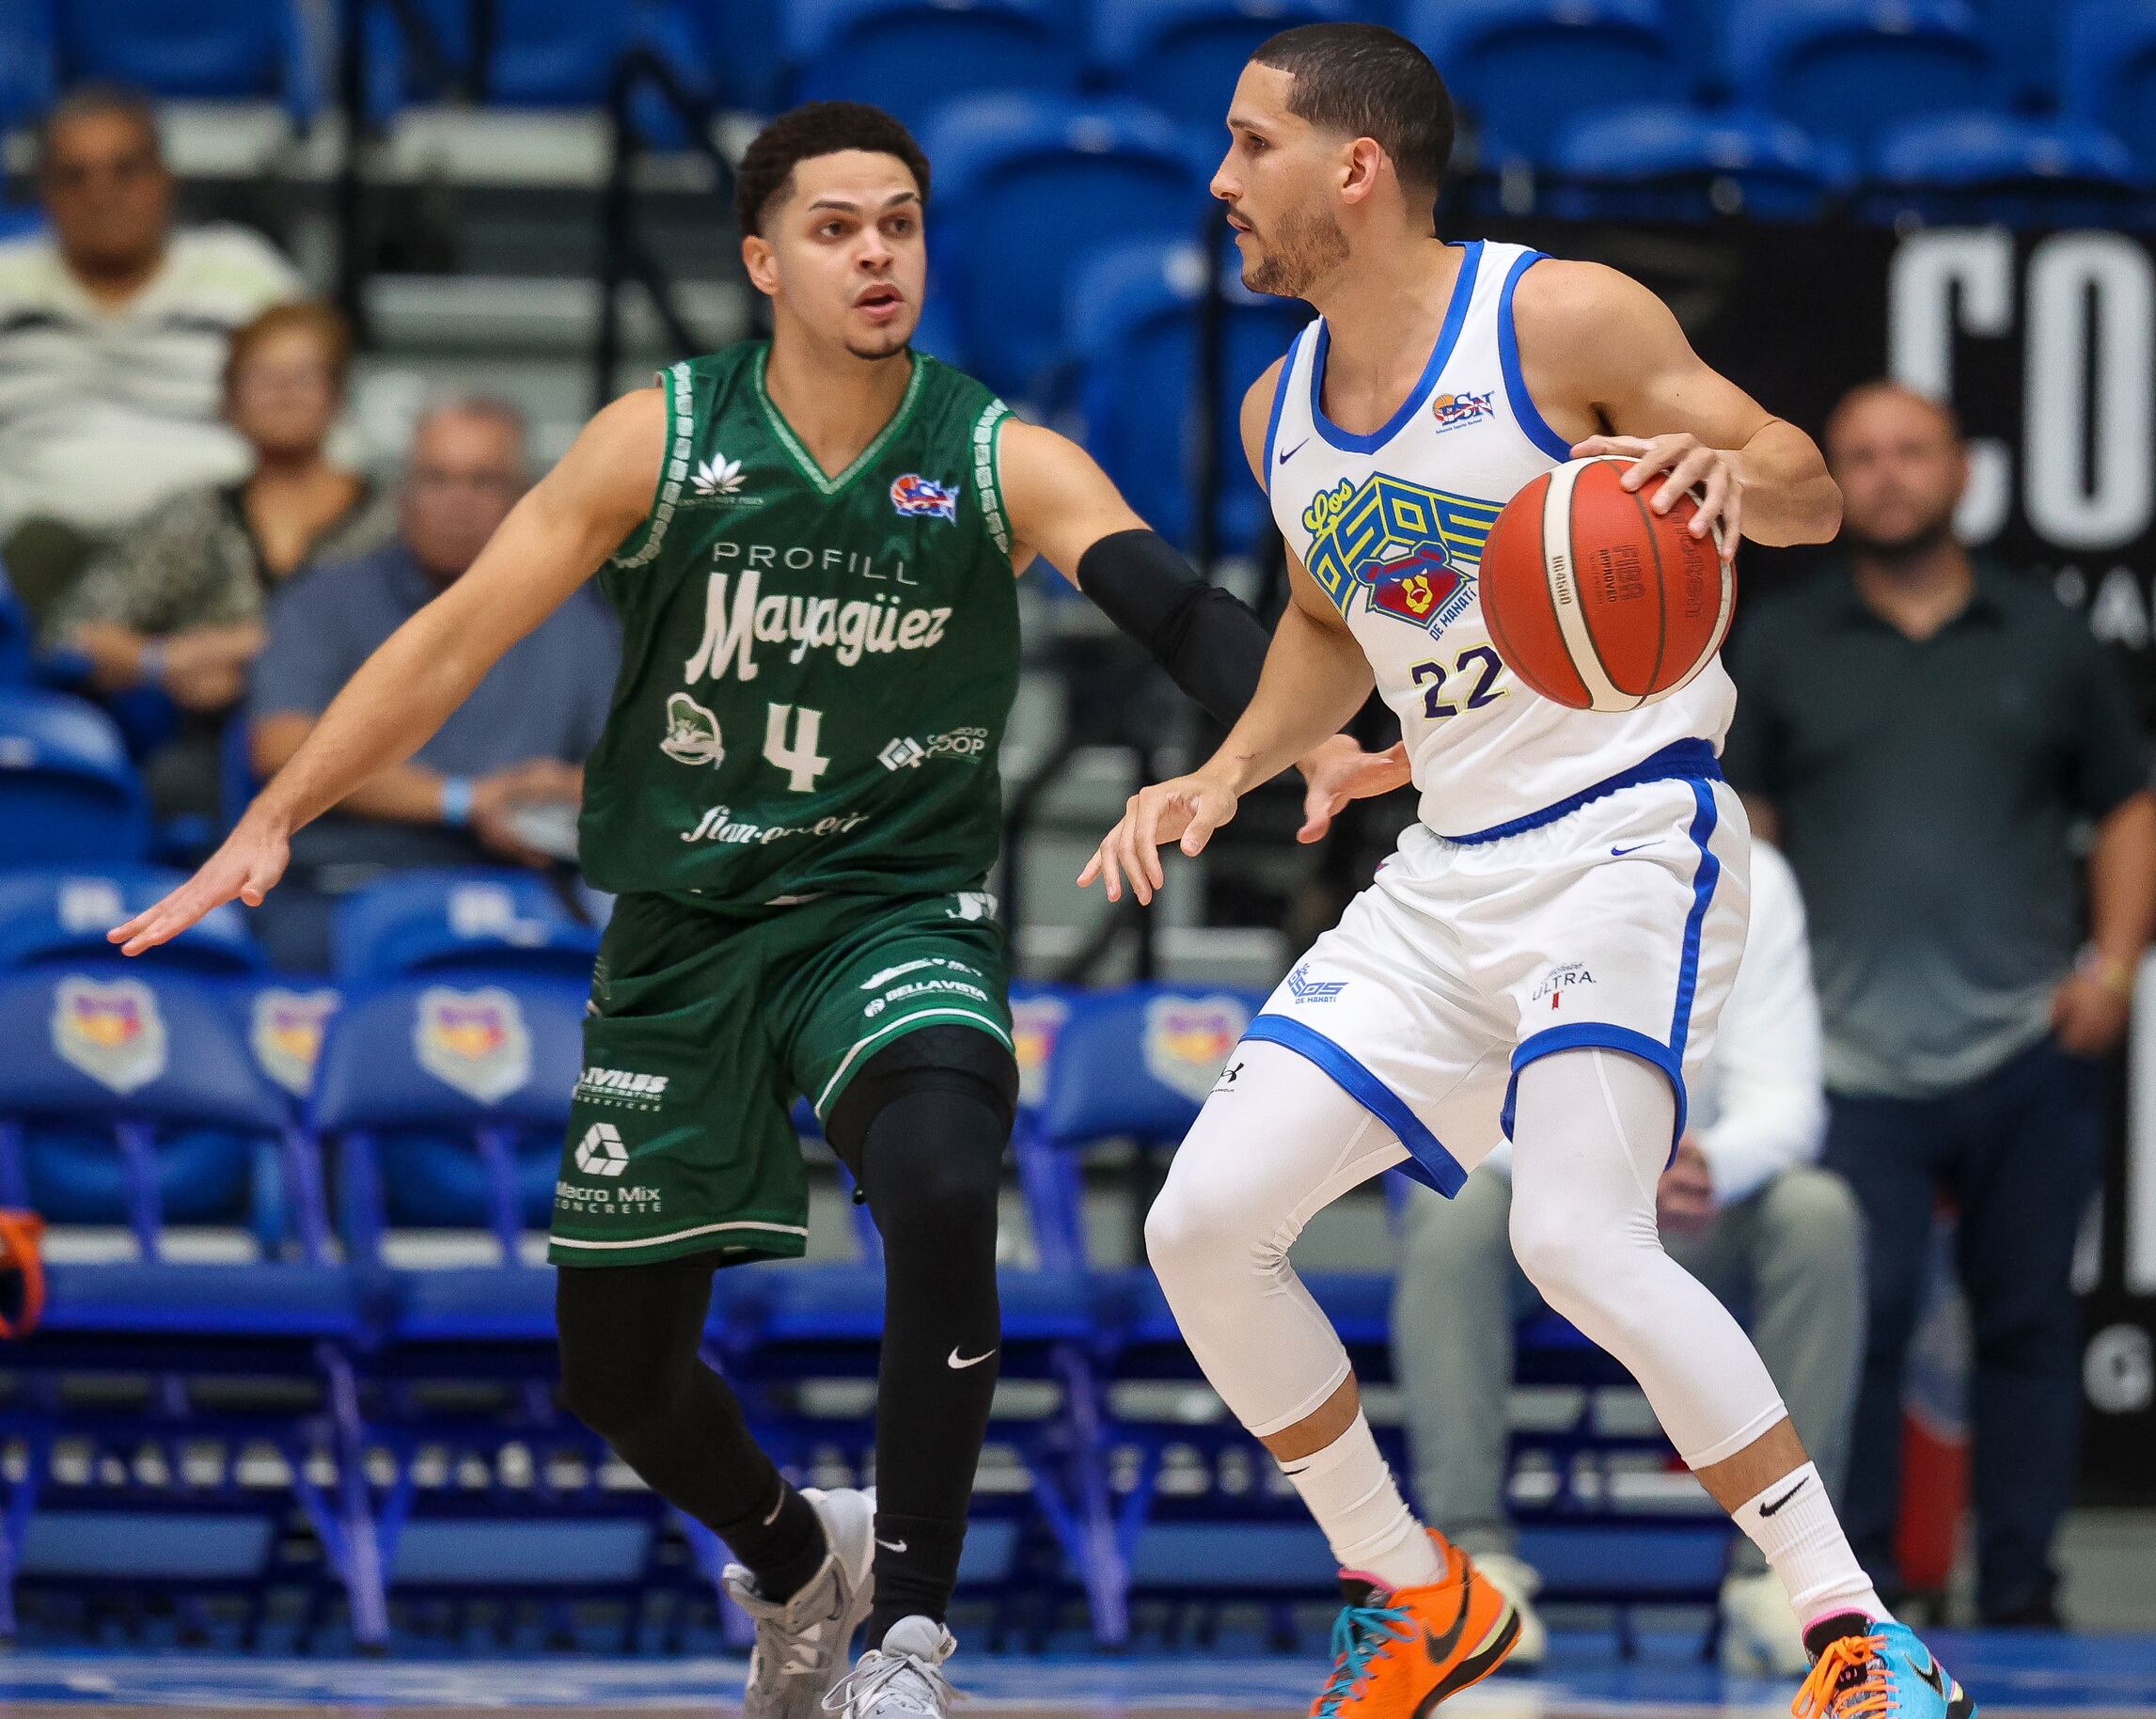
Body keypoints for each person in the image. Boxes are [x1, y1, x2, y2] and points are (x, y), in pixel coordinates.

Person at [109, 102, 1404, 1719]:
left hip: (891, 907)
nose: (876, 253)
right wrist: (274, 814)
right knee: (615, 1374)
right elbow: (454, 638)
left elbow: (1183, 613)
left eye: (902, 223)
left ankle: (912, 1638)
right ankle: (800, 1558)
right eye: (837, 228)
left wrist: (1325, 734)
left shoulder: (998, 451)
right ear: (761, 259)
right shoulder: (658, 439)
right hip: (686, 920)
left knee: (943, 1176)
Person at [1082, 26, 1977, 1718]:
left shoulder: (1556, 317)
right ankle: (1423, 1592)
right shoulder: (1283, 405)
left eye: (1249, 143)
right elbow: (1328, 621)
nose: (1217, 180)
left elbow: (1800, 486)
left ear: (1356, 165)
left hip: (1626, 834)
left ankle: (1859, 1630)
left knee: (1575, 1231)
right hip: (1445, 872)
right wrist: (1239, 762)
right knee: (1202, 1223)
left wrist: (1737, 476)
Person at [1722, 381, 2156, 1629]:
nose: (1886, 475)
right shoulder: (1785, 641)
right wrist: (1760, 1009)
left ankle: (2022, 1592)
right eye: (1859, 455)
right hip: (1848, 1057)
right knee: (1852, 1326)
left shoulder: (2046, 638)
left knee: (2027, 1325)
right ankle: (1852, 1597)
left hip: (2028, 1043)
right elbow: (1742, 832)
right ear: (1836, 483)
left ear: (1962, 471)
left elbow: (2129, 807)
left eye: (1911, 451)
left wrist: (2116, 969)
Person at [1391, 839, 1862, 1676]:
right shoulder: (1504, 855)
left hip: (1688, 1204)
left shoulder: (1755, 873)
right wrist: (1595, 1160)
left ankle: (1783, 1581)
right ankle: (1474, 1565)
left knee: (1818, 1217)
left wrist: (1711, 1163)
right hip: (1535, 1186)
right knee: (1448, 1219)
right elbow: (1452, 1086)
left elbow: (1786, 1100)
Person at [243, 396, 613, 971]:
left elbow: (644, 768)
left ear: (526, 496)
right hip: (348, 879)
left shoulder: (584, 617)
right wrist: (466, 802)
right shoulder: (323, 600)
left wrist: (570, 788)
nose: (458, 501)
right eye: (436, 478)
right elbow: (281, 749)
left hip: (531, 881)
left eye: (483, 480)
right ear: (402, 493)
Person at [49, 301, 394, 826]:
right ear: (229, 399)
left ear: (338, 394)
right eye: (262, 378)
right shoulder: (195, 516)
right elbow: (70, 633)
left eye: (304, 376)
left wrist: (254, 649)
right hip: (211, 751)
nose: (283, 394)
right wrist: (164, 661)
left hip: (373, 743)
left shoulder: (392, 521)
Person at [0, 85, 302, 620]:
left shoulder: (243, 274)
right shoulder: (5, 282)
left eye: (125, 170)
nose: (101, 193)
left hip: (219, 561)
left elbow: (322, 420)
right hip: (30, 560)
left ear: (165, 179)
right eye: (75, 176)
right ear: (45, 191)